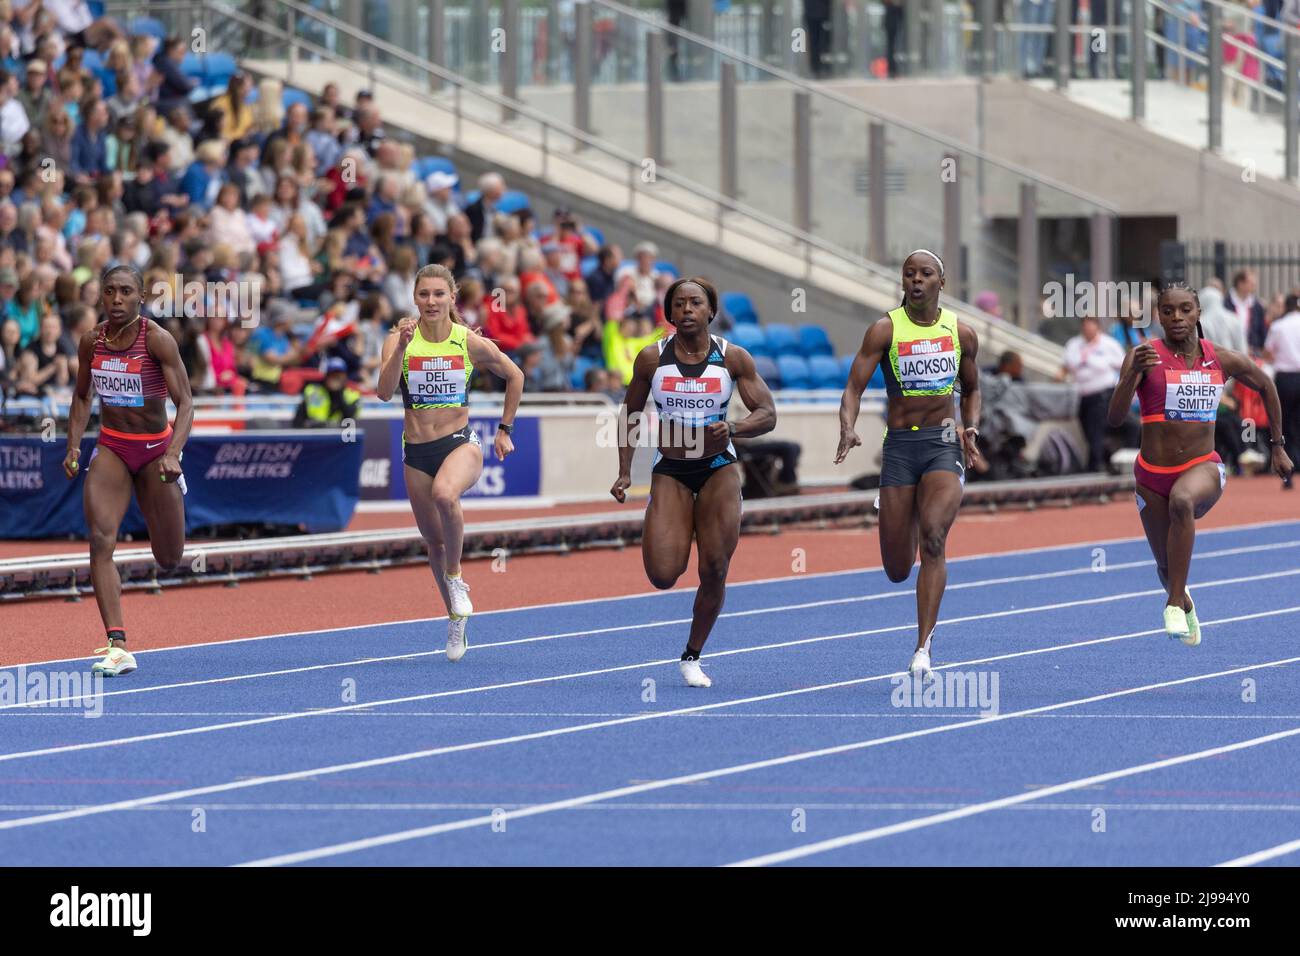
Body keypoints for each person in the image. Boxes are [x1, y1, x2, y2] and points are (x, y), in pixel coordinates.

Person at [610, 276, 777, 687]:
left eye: (695, 303)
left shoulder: (733, 358)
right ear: (669, 314)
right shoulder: (651, 359)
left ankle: (692, 655)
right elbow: (629, 413)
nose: (687, 310)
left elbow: (769, 413)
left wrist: (734, 428)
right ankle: (674, 521)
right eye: (679, 304)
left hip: (718, 465)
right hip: (672, 467)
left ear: (710, 311)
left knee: (716, 567)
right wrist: (624, 470)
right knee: (663, 574)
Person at [1107, 282, 1292, 642]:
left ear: (1198, 313)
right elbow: (1114, 419)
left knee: (1183, 500)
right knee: (1166, 564)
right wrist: (1132, 374)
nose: (1176, 317)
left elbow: (1267, 386)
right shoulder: (1142, 355)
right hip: (1150, 476)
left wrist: (1278, 446)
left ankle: (1174, 604)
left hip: (1202, 467)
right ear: (1158, 315)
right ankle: (1185, 601)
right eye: (1168, 311)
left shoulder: (1220, 358)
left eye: (1185, 310)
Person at [835, 250, 983, 678]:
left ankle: (923, 648)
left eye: (926, 274)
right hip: (900, 448)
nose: (916, 281)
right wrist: (848, 426)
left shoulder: (961, 332)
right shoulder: (884, 329)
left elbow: (972, 389)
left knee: (935, 537)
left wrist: (970, 427)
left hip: (943, 444)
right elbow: (853, 387)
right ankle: (905, 510)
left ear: (942, 281)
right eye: (909, 274)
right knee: (898, 568)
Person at [376, 264, 524, 661]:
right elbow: (383, 392)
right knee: (433, 542)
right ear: (414, 298)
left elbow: (515, 375)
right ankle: (454, 619)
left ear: (452, 299)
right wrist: (403, 349)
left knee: (446, 495)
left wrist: (505, 429)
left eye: (439, 294)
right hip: (416, 451)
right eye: (424, 294)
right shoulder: (398, 338)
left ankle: (457, 579)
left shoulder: (467, 341)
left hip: (460, 443)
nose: (431, 301)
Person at [63, 264, 194, 677]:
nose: (116, 299)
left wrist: (174, 452)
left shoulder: (157, 340)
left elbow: (186, 403)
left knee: (169, 558)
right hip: (113, 448)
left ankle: (171, 495)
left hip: (156, 452)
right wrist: (72, 445)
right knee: (101, 540)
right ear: (101, 296)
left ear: (140, 297)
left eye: (124, 292)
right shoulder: (91, 342)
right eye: (109, 292)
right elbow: (82, 397)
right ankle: (117, 644)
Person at [1061, 314, 1127, 471]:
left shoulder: (1108, 344)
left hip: (1102, 394)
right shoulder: (1074, 344)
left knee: (1096, 430)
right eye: (1084, 325)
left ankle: (1094, 466)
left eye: (1090, 325)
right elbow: (1066, 366)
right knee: (1089, 432)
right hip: (1081, 395)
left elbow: (1123, 364)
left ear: (1097, 326)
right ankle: (1102, 461)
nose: (1087, 328)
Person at [1265, 291, 1300, 490]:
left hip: (1285, 378)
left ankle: (1288, 472)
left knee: (1284, 425)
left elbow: (1268, 352)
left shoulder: (1278, 326)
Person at [294, 357, 361, 427]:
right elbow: (298, 422)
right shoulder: (313, 391)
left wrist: (338, 392)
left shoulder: (352, 395)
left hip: (340, 436)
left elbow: (349, 418)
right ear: (326, 376)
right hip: (316, 433)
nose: (335, 378)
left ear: (345, 376)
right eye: (332, 374)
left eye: (338, 375)